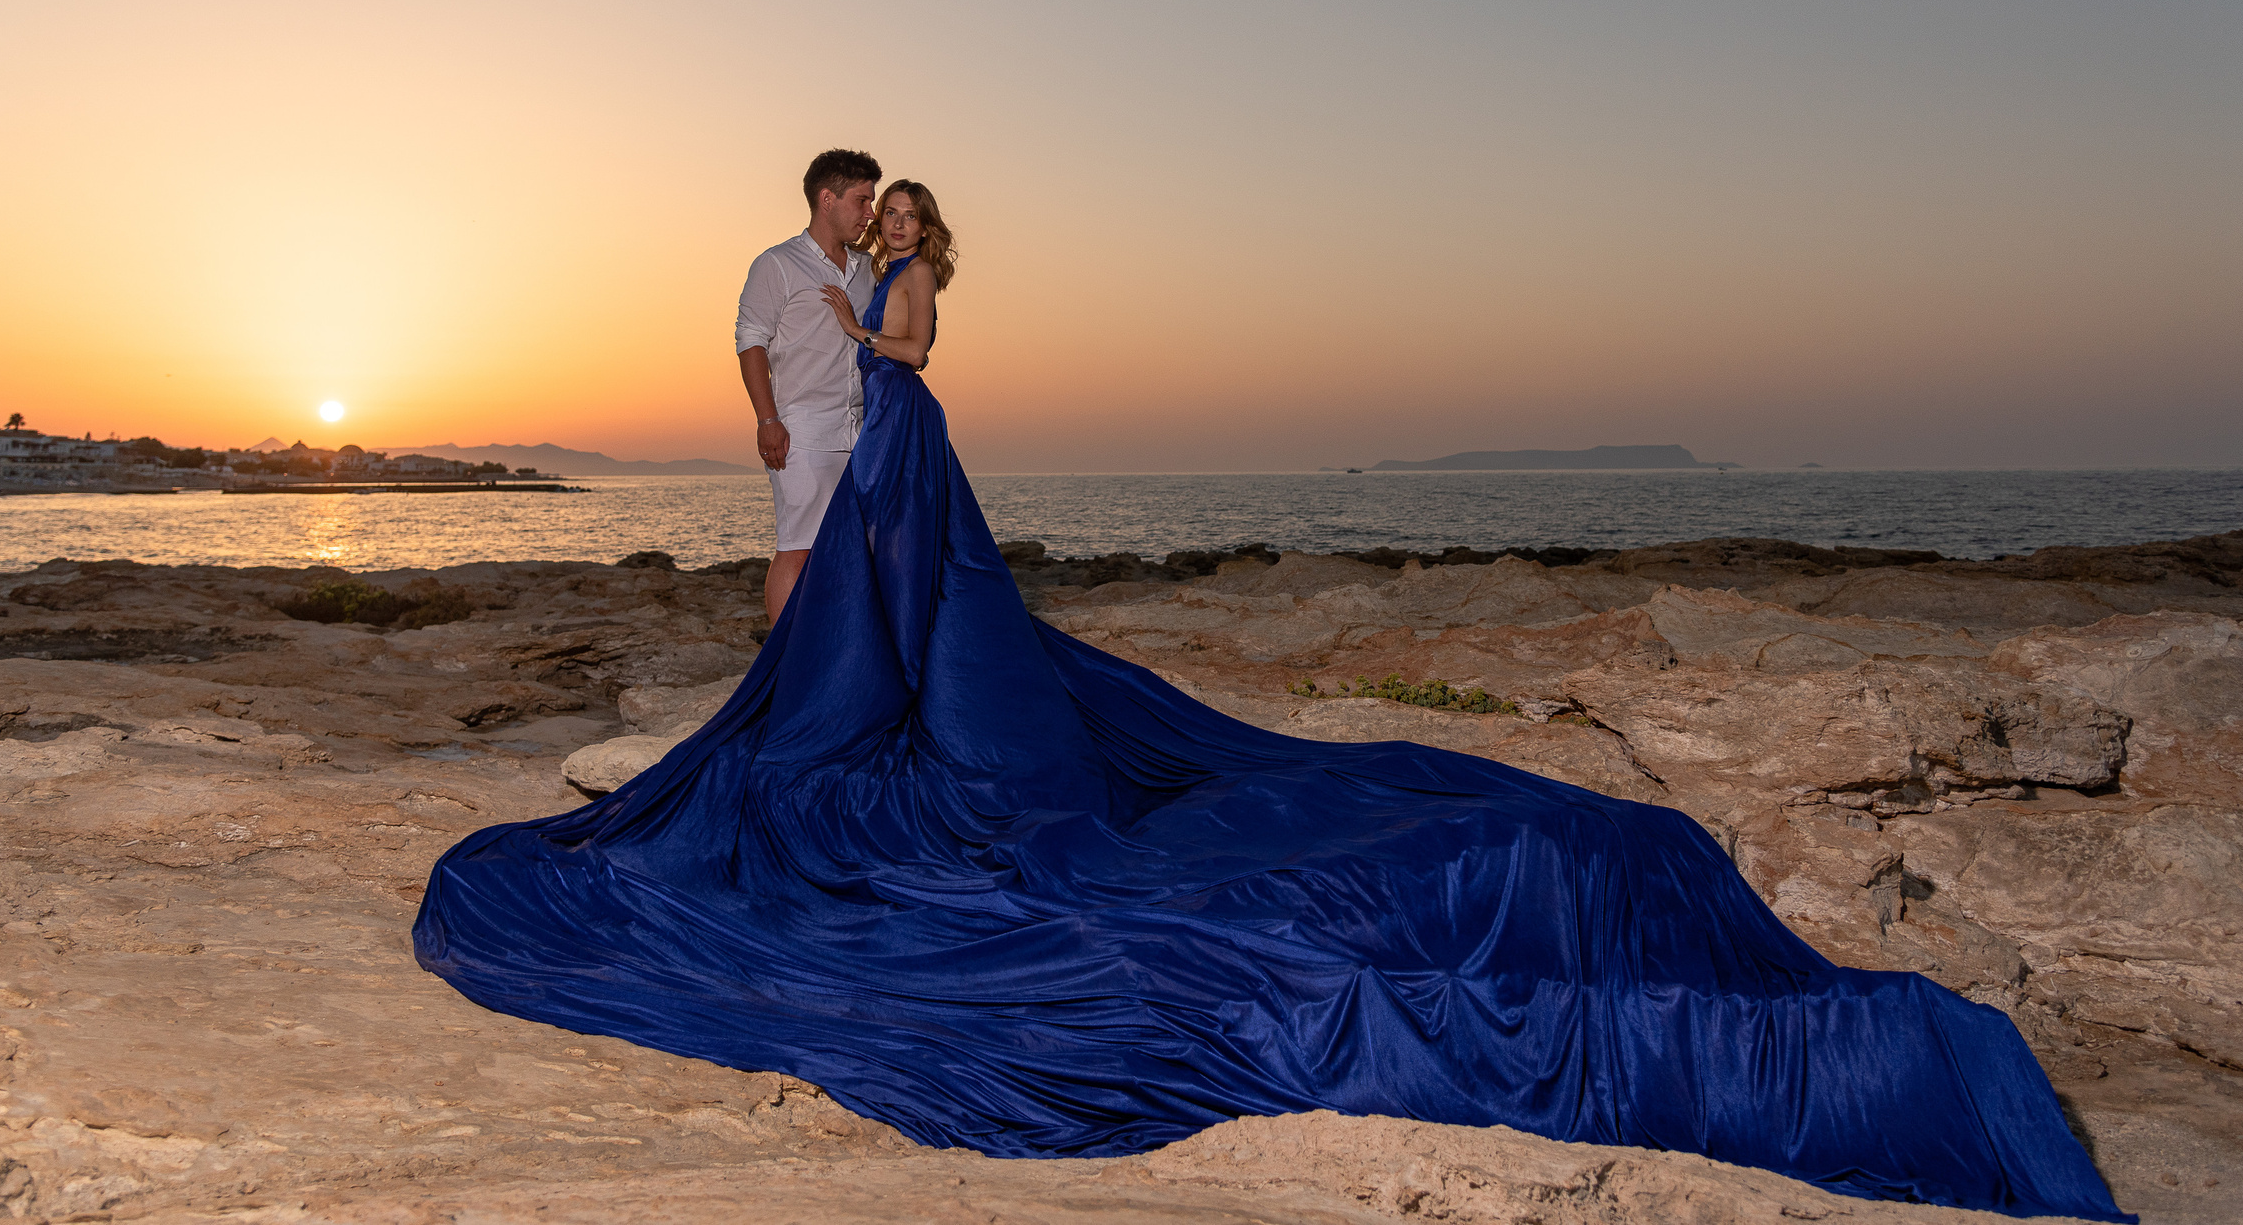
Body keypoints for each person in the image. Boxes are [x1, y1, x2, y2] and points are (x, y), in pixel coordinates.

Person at [415, 182, 2130, 1222]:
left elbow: (910, 353)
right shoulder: (838, 268)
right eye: (890, 217)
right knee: (896, 623)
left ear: (930, 234)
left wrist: (874, 313)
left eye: (913, 221)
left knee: (973, 659)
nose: (899, 232)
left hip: (904, 431)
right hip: (881, 450)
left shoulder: (908, 289)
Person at [732, 148, 879, 623]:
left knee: (850, 548)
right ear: (827, 198)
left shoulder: (867, 269)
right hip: (802, 432)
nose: (870, 213)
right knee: (797, 546)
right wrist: (767, 420)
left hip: (862, 431)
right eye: (862, 201)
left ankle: (835, 656)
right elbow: (750, 341)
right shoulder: (777, 264)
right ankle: (783, 666)